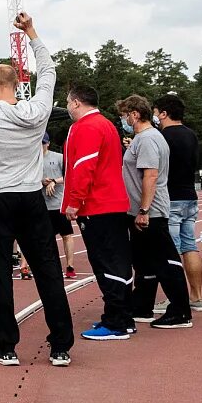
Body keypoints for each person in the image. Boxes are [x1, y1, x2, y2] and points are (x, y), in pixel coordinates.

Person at [0, 12, 73, 368]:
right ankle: (60, 347)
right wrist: (31, 33)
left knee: (0, 271)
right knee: (47, 269)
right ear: (14, 84)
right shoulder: (37, 111)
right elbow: (49, 72)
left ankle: (6, 346)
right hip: (31, 198)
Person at [63, 84, 136, 340]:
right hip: (112, 204)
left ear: (75, 103)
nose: (68, 107)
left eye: (68, 102)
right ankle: (123, 317)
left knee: (105, 263)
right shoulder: (105, 124)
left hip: (97, 205)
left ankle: (116, 322)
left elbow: (84, 166)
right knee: (118, 261)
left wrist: (75, 200)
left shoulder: (87, 127)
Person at [117, 96, 192, 328]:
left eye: (124, 115)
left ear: (135, 114)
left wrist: (144, 210)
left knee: (164, 260)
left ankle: (180, 311)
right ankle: (142, 305)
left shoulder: (148, 139)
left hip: (151, 211)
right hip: (141, 210)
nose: (123, 120)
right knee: (143, 262)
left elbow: (150, 175)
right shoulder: (144, 138)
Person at [153, 94, 202, 312]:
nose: (154, 116)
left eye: (156, 112)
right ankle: (196, 296)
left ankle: (176, 300)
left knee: (170, 252)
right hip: (189, 197)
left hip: (170, 199)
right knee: (189, 246)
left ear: (164, 113)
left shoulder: (162, 137)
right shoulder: (191, 135)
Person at [40, 133, 76, 279]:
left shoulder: (58, 157)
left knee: (66, 235)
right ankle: (51, 266)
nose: (40, 146)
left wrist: (54, 181)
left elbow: (70, 175)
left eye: (43, 143)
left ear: (48, 143)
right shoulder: (32, 159)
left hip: (59, 204)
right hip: (42, 205)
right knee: (46, 238)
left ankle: (70, 266)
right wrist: (41, 181)